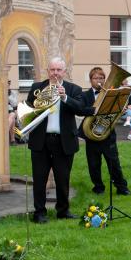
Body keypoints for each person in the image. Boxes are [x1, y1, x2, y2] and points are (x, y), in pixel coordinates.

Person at [26, 57, 84, 223]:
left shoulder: (73, 89)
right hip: (41, 140)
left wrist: (65, 98)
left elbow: (80, 109)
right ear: (48, 71)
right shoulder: (37, 88)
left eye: (59, 70)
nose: (55, 73)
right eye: (52, 70)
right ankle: (39, 213)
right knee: (39, 179)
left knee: (63, 178)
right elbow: (29, 108)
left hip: (63, 141)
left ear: (64, 72)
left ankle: (63, 211)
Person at [79, 67, 131, 195]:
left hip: (107, 133)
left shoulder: (111, 93)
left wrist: (121, 110)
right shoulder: (84, 95)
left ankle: (121, 187)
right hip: (91, 134)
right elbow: (80, 109)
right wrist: (93, 110)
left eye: (102, 78)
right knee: (94, 164)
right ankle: (98, 187)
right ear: (91, 80)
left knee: (114, 162)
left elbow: (117, 108)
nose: (99, 81)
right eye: (96, 78)